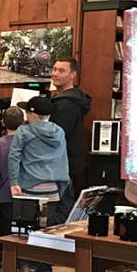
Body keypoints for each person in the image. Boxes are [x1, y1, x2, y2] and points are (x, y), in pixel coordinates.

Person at [8, 96, 70, 272]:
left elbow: (14, 156)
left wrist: (13, 181)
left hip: (28, 188)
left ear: (33, 114)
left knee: (24, 229)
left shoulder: (23, 131)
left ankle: (24, 268)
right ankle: (45, 271)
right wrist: (62, 185)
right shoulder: (59, 132)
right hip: (51, 189)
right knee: (47, 231)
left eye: (28, 112)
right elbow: (63, 159)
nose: (26, 115)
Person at [49, 57, 91, 220]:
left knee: (59, 217)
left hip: (60, 167)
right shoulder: (66, 100)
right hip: (64, 166)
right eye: (54, 69)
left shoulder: (66, 105)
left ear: (73, 74)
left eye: (61, 70)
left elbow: (55, 137)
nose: (55, 74)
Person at [0, 107, 25, 235]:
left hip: (5, 194)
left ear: (3, 123)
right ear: (23, 122)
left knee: (8, 232)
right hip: (27, 192)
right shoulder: (28, 142)